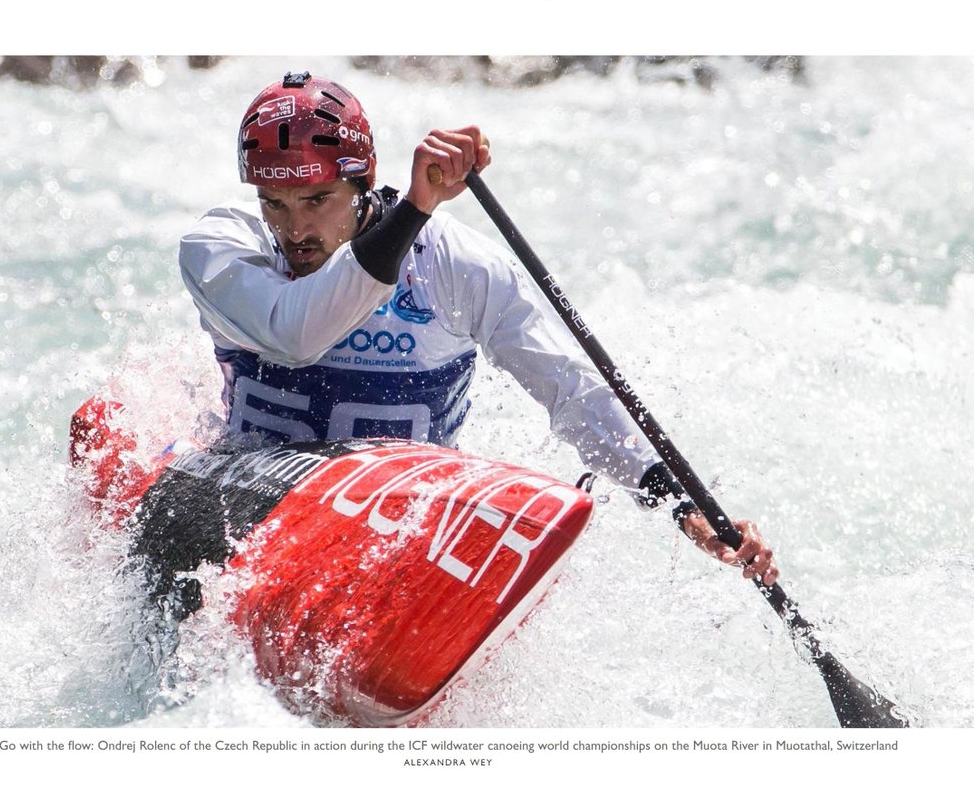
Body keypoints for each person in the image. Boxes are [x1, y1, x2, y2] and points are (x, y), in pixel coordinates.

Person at [177, 71, 778, 587]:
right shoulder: (222, 248)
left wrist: (680, 505)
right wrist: (416, 207)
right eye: (275, 203)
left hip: (398, 532)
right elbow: (296, 333)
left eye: (317, 200)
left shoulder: (454, 265)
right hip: (253, 511)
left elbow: (573, 390)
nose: (294, 229)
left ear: (364, 182)